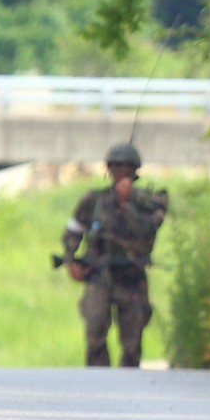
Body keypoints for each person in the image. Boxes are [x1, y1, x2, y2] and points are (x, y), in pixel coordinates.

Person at [60, 142, 169, 367]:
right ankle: (99, 380)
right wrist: (70, 260)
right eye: (115, 166)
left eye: (125, 167)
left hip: (132, 276)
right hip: (99, 275)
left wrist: (126, 204)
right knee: (95, 328)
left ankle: (127, 385)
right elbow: (74, 230)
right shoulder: (94, 200)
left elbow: (148, 228)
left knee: (132, 339)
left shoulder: (149, 202)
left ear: (134, 170)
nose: (120, 172)